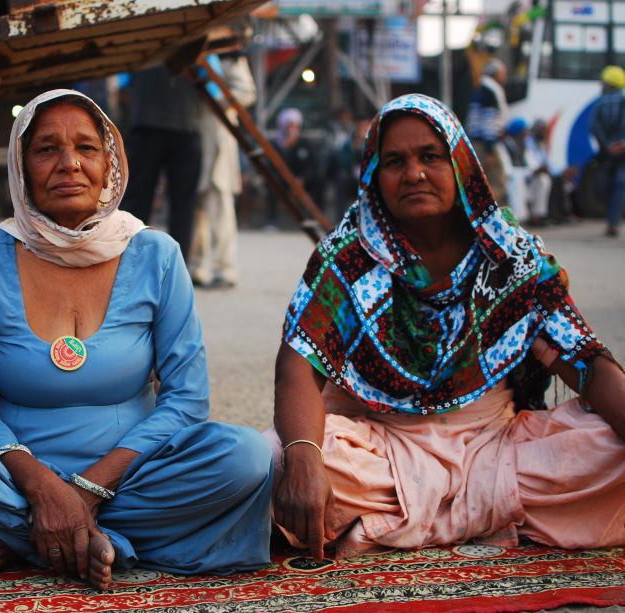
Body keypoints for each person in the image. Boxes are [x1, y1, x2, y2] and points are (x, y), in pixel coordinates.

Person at [0, 89, 273, 591]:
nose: (68, 164)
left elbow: (186, 400)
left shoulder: (156, 253)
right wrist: (43, 488)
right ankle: (89, 538)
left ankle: (27, 535)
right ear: (21, 167)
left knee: (246, 456)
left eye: (86, 148)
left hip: (130, 479)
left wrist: (85, 492)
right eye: (47, 149)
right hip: (4, 474)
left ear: (109, 163)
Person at [268, 93, 625, 562]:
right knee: (275, 462)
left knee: (607, 448)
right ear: (375, 176)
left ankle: (402, 523)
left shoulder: (511, 257)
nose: (414, 173)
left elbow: (586, 361)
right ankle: (490, 515)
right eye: (394, 161)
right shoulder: (349, 257)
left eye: (430, 157)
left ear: (460, 163)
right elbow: (298, 364)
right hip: (380, 440)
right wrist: (303, 457)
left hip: (496, 444)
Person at [120, 65, 202, 262]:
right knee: (182, 206)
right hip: (184, 126)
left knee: (137, 203)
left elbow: (121, 85)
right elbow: (214, 89)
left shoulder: (140, 42)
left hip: (148, 126)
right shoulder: (200, 46)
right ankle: (178, 266)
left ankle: (129, 262)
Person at [189, 52, 256, 289]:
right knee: (196, 206)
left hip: (217, 135)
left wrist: (216, 99)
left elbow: (246, 91)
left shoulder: (229, 53)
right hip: (191, 132)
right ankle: (198, 265)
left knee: (219, 203)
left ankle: (223, 267)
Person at [267, 108, 321, 229]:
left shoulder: (305, 143)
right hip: (282, 181)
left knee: (319, 181)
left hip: (302, 180)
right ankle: (272, 221)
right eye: (289, 125)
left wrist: (302, 178)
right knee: (272, 185)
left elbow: (312, 165)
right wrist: (286, 148)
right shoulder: (276, 144)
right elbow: (272, 166)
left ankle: (314, 218)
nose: (292, 129)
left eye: (295, 126)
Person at [466, 58, 509, 206]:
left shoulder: (480, 89)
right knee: (497, 180)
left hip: (478, 142)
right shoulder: (491, 92)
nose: (504, 77)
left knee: (480, 182)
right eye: (502, 73)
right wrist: (490, 149)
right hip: (485, 144)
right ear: (496, 74)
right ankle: (490, 214)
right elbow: (488, 122)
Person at [589, 65, 625, 237]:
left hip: (607, 154)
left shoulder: (600, 103)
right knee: (618, 186)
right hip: (619, 152)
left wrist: (608, 146)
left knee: (608, 187)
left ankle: (612, 222)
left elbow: (594, 127)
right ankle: (613, 222)